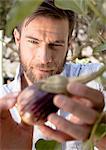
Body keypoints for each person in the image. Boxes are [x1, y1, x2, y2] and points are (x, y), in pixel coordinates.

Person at [0, 0, 106, 150]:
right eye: (33, 41)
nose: (44, 58)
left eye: (55, 45)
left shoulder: (97, 81)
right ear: (18, 39)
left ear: (69, 44)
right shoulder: (2, 105)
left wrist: (99, 133)